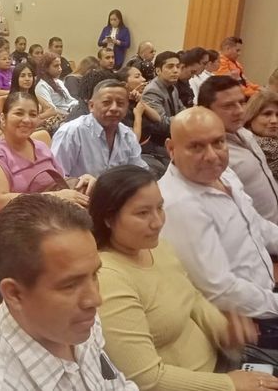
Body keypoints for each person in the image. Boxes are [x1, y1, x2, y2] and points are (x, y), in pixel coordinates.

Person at [91, 165, 270, 391]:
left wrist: (224, 330)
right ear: (108, 219)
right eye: (142, 213)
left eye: (160, 208)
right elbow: (145, 378)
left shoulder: (155, 248)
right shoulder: (109, 279)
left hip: (225, 364)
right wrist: (229, 384)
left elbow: (192, 297)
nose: (157, 222)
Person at [0, 193, 138, 391]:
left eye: (94, 275)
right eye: (70, 285)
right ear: (14, 294)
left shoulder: (75, 321)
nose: (95, 299)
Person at [159, 107, 278, 340]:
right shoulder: (178, 204)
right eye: (196, 147)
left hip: (266, 292)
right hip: (248, 321)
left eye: (218, 142)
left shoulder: (223, 174)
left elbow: (257, 225)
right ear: (171, 149)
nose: (212, 156)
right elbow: (220, 289)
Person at [0, 92, 92, 216]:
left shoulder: (41, 147)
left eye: (33, 115)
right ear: (3, 118)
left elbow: (60, 182)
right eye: (19, 113)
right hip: (21, 222)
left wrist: (82, 181)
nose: (27, 120)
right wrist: (54, 197)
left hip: (53, 214)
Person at [199, 75, 278, 223]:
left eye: (242, 102)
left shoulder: (244, 133)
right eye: (228, 106)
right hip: (255, 231)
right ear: (206, 110)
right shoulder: (210, 154)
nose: (239, 110)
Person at [52, 79, 148, 178]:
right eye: (106, 102)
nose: (114, 108)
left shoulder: (127, 135)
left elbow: (139, 173)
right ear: (91, 106)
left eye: (120, 103)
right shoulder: (71, 133)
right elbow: (56, 179)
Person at [115, 66, 167, 173]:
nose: (143, 80)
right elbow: (134, 141)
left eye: (142, 76)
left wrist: (141, 101)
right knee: (162, 171)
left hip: (152, 145)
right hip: (139, 152)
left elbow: (157, 118)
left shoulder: (135, 99)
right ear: (125, 84)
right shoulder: (120, 108)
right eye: (137, 76)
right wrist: (138, 116)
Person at [141, 51, 184, 147]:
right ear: (158, 71)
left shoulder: (173, 87)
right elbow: (162, 124)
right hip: (157, 142)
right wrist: (187, 119)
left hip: (172, 136)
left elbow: (182, 109)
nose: (176, 70)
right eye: (170, 67)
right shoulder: (152, 90)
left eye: (178, 66)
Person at [9, 62, 58, 129]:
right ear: (16, 78)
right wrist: (43, 117)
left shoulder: (34, 94)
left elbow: (53, 110)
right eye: (22, 76)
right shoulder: (14, 99)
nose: (27, 79)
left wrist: (38, 117)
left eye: (30, 75)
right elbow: (25, 121)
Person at [35, 52, 82, 118]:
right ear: (46, 68)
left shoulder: (59, 82)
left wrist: (82, 105)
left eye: (60, 65)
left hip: (74, 110)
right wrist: (71, 114)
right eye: (56, 66)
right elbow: (51, 110)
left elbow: (70, 100)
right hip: (64, 116)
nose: (60, 69)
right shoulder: (42, 86)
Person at [244, 90, 278, 181]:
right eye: (267, 114)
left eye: (277, 115)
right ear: (251, 117)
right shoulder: (249, 147)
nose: (274, 120)